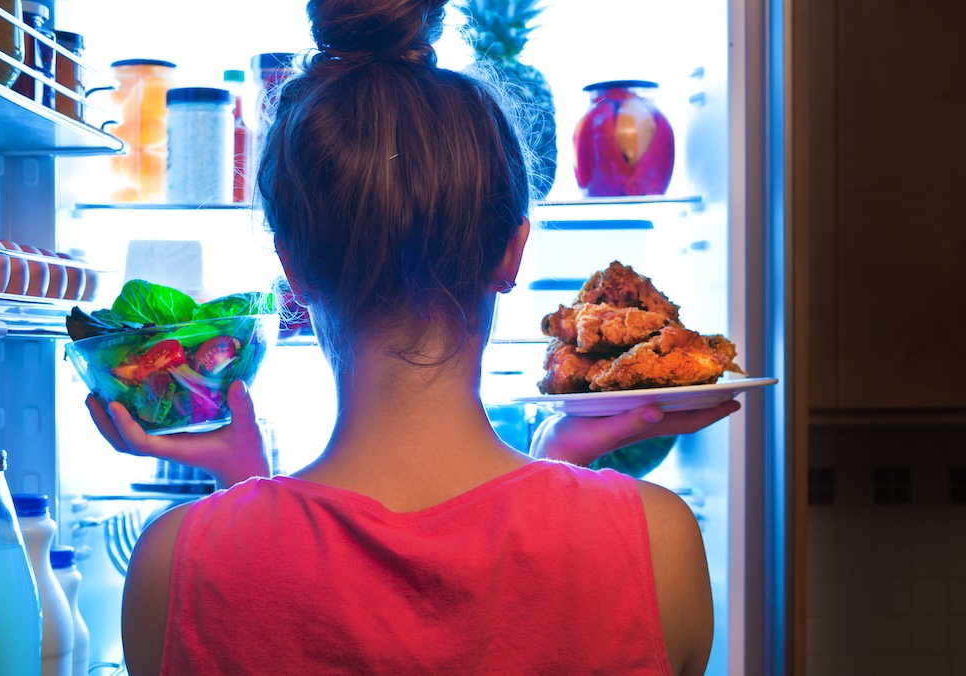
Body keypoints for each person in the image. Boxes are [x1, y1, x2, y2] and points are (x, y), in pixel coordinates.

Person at [87, 1, 739, 673]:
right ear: (513, 253)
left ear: (293, 272)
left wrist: (241, 488)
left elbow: (281, 588)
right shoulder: (658, 543)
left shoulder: (176, 563)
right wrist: (562, 476)